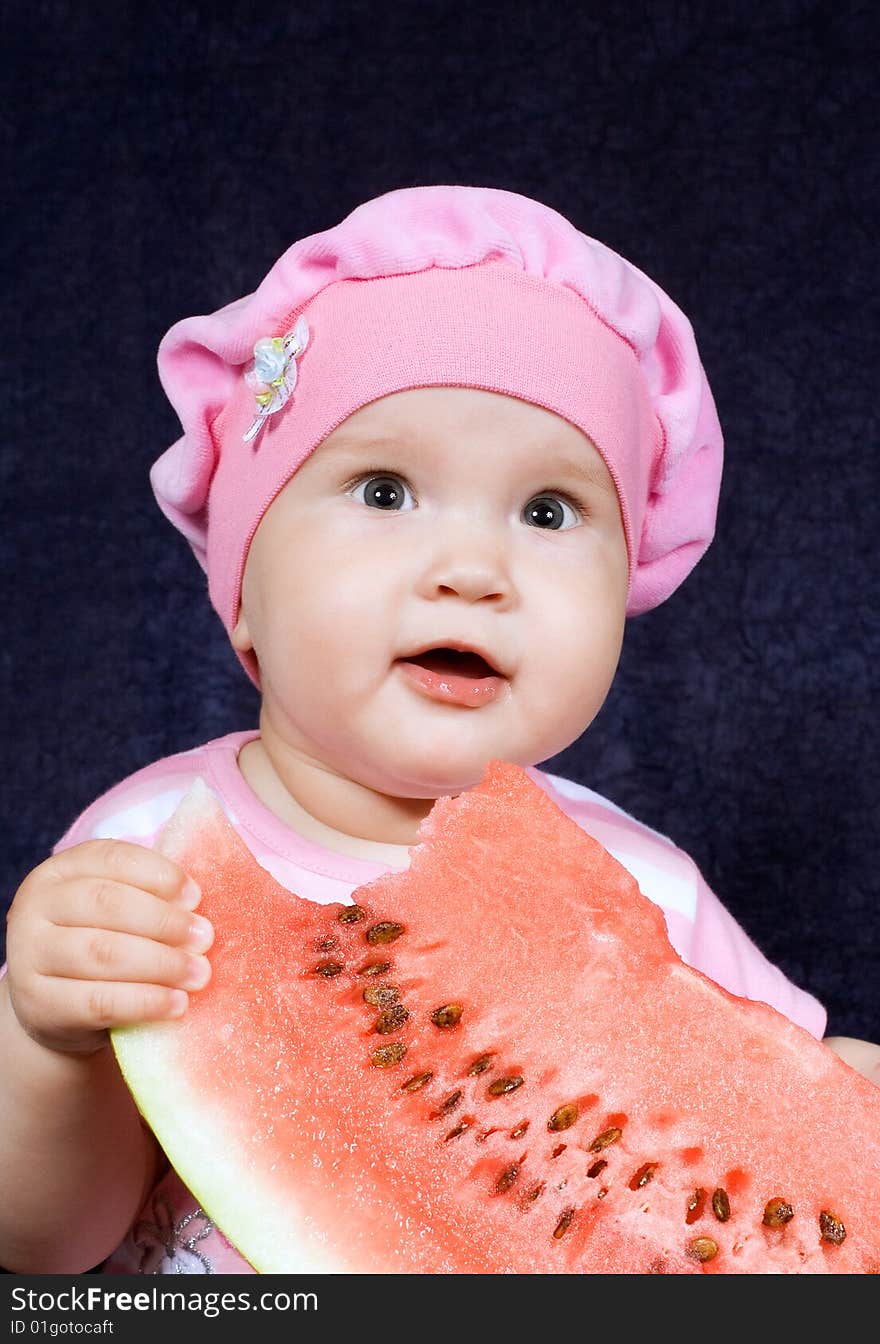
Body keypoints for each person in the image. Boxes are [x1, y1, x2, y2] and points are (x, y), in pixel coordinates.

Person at [2, 186, 877, 1276]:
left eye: (549, 513)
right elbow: (42, 1248)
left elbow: (776, 1152)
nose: (472, 572)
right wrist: (49, 1047)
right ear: (242, 595)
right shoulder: (144, 854)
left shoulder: (648, 885)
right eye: (383, 490)